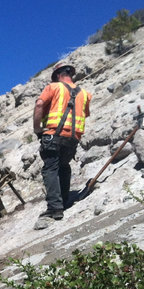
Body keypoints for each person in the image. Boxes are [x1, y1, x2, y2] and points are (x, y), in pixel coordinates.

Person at [33, 62, 93, 228]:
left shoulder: (53, 87)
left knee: (50, 169)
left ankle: (54, 208)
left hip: (53, 134)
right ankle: (64, 201)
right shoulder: (85, 94)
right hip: (73, 138)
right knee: (64, 167)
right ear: (71, 74)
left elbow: (39, 104)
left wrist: (37, 129)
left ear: (57, 75)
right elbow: (84, 114)